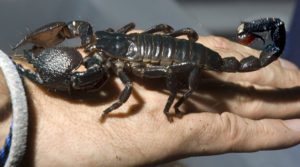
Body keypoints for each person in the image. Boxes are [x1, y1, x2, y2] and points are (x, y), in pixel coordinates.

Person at [1, 33, 300, 166]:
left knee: (181, 73)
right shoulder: (112, 45)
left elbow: (127, 93)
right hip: (160, 44)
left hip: (179, 57)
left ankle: (175, 100)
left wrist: (171, 103)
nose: (92, 50)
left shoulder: (121, 68)